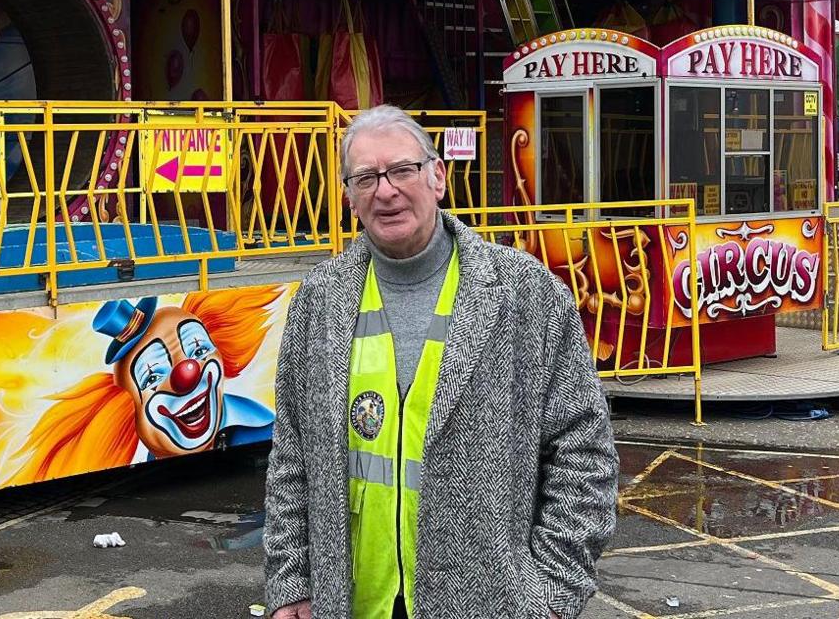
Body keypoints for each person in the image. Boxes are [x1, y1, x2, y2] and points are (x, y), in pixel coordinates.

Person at [263, 105, 619, 619]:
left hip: (488, 605)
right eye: (365, 177)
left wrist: (546, 595)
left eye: (402, 170)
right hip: (353, 604)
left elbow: (583, 455)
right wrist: (291, 583)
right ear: (349, 197)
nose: (385, 191)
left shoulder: (524, 293)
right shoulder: (320, 300)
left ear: (438, 177)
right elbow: (292, 457)